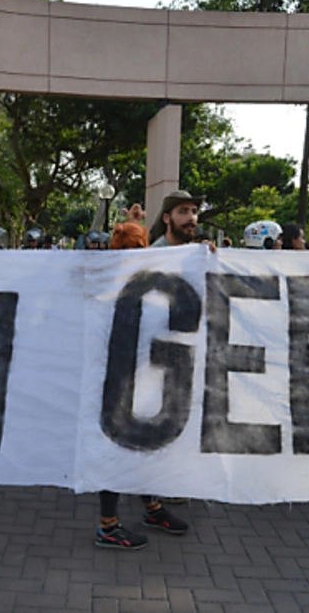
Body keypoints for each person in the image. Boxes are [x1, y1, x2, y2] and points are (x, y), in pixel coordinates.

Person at [92, 220, 189, 549]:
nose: (134, 254)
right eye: (127, 249)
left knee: (144, 447)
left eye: (139, 248)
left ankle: (152, 508)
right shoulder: (106, 284)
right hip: (112, 384)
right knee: (114, 450)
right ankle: (108, 526)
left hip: (142, 379)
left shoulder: (146, 282)